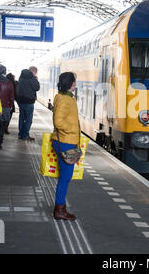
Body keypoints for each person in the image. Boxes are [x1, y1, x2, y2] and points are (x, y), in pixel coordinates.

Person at [51, 72, 79, 220]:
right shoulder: (65, 100)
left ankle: (60, 208)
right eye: (74, 82)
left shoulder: (66, 98)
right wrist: (74, 129)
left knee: (65, 176)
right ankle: (60, 209)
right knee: (65, 177)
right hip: (65, 142)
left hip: (66, 141)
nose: (75, 84)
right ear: (69, 84)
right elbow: (58, 122)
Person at [17, 66, 40, 141]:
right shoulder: (32, 78)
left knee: (21, 118)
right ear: (33, 71)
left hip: (21, 101)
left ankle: (20, 134)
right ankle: (25, 135)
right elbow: (37, 88)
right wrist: (36, 80)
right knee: (28, 119)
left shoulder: (21, 77)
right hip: (29, 101)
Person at [0, 66, 14, 149]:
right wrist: (11, 106)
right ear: (5, 72)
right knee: (2, 124)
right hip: (5, 106)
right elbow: (11, 96)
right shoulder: (9, 83)